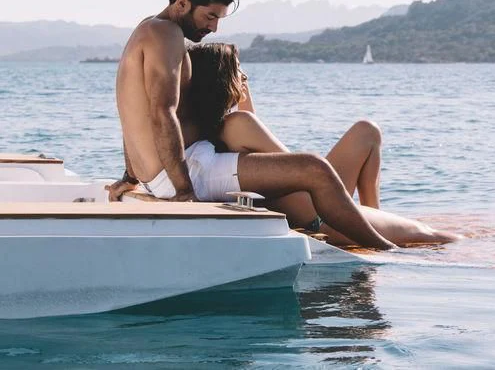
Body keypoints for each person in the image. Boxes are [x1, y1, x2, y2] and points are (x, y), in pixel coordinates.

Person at [107, 0, 396, 250]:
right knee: (314, 168)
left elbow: (130, 115)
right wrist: (184, 191)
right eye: (209, 16)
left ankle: (369, 237)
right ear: (182, 2)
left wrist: (130, 176)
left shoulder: (145, 30)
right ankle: (386, 250)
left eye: (219, 18)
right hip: (186, 173)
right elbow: (161, 112)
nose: (214, 27)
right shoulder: (165, 34)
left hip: (167, 174)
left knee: (311, 168)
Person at [186, 42, 461, 246]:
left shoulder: (218, 130)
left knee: (367, 131)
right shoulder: (237, 125)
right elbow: (295, 167)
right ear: (225, 81)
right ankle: (369, 226)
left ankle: (372, 216)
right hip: (320, 217)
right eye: (239, 72)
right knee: (441, 238)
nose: (245, 78)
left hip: (317, 204)